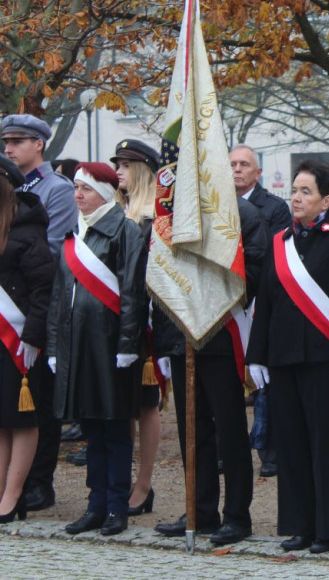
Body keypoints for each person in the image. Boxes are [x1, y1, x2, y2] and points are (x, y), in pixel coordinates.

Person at [247, 160, 329, 554]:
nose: (296, 199)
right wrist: (257, 355)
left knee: (326, 446)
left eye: (305, 192)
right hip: (283, 356)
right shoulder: (280, 240)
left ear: (326, 200)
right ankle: (300, 525)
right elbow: (265, 301)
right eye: (294, 191)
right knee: (292, 445)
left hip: (324, 357)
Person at [152, 195, 267, 545]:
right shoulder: (171, 211)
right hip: (180, 336)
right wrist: (161, 343)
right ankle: (199, 510)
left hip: (220, 333)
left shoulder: (240, 213)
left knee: (230, 430)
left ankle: (237, 516)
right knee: (192, 429)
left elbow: (257, 270)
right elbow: (159, 275)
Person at [47, 163, 146, 536]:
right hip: (77, 346)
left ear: (104, 193)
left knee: (115, 427)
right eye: (75, 188)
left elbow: (133, 292)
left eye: (85, 189)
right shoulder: (75, 232)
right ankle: (95, 504)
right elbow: (61, 295)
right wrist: (56, 346)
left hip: (110, 346)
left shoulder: (126, 230)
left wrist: (127, 344)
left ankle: (116, 507)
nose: (77, 195)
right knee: (91, 427)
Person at [2, 114, 76, 512]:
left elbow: (51, 250)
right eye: (6, 142)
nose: (9, 148)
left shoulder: (56, 190)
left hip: (37, 306)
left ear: (39, 144)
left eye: (17, 141)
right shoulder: (8, 186)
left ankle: (39, 481)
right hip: (8, 303)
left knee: (38, 401)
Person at [0, 154, 55, 522]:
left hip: (20, 342)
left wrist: (33, 338)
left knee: (22, 418)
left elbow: (43, 289)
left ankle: (14, 495)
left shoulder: (26, 229)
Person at [231, 144, 291, 478]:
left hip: (261, 298)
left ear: (258, 172)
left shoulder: (275, 207)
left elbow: (275, 250)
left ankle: (270, 449)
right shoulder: (214, 204)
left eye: (244, 164)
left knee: (263, 379)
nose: (237, 170)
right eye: (232, 164)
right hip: (227, 300)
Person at [110, 139, 162, 518]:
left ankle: (143, 485)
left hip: (144, 322)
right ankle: (122, 479)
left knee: (146, 404)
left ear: (142, 170)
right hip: (112, 319)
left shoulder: (153, 218)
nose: (119, 170)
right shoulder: (116, 213)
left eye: (126, 164)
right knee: (121, 406)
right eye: (117, 164)